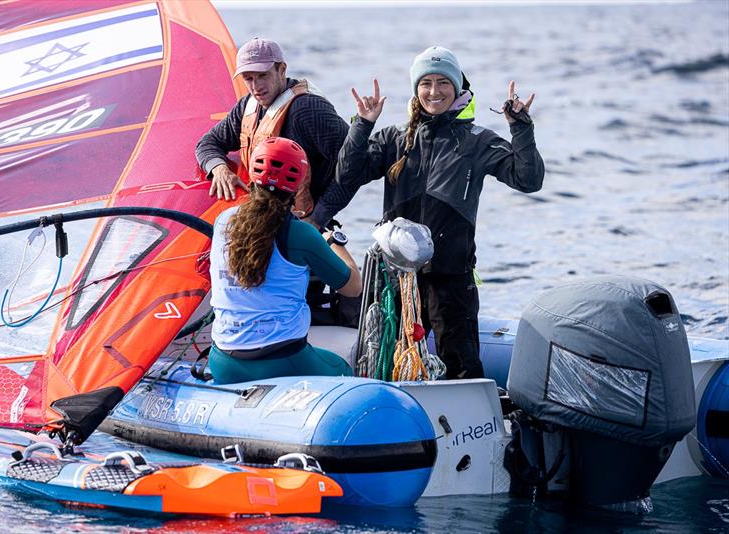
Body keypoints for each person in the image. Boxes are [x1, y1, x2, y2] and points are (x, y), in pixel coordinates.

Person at [336, 46, 545, 380]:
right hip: (395, 280)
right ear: (416, 89)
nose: (434, 92)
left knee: (461, 367)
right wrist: (363, 124)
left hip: (451, 276)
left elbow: (529, 180)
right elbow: (347, 175)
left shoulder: (477, 141)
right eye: (426, 83)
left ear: (458, 87)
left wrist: (520, 127)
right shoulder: (394, 138)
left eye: (443, 82)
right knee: (387, 362)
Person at [208, 137, 362, 384]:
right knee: (343, 369)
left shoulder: (223, 220)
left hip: (223, 361)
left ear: (252, 172)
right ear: (299, 184)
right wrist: (334, 241)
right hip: (282, 360)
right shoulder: (301, 233)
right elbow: (353, 287)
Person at [196, 37, 355, 229]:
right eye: (248, 78)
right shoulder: (247, 106)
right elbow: (208, 143)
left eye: (263, 75)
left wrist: (319, 218)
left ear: (282, 70)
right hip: (266, 219)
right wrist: (219, 169)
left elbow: (357, 164)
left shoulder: (308, 110)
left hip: (305, 224)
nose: (256, 87)